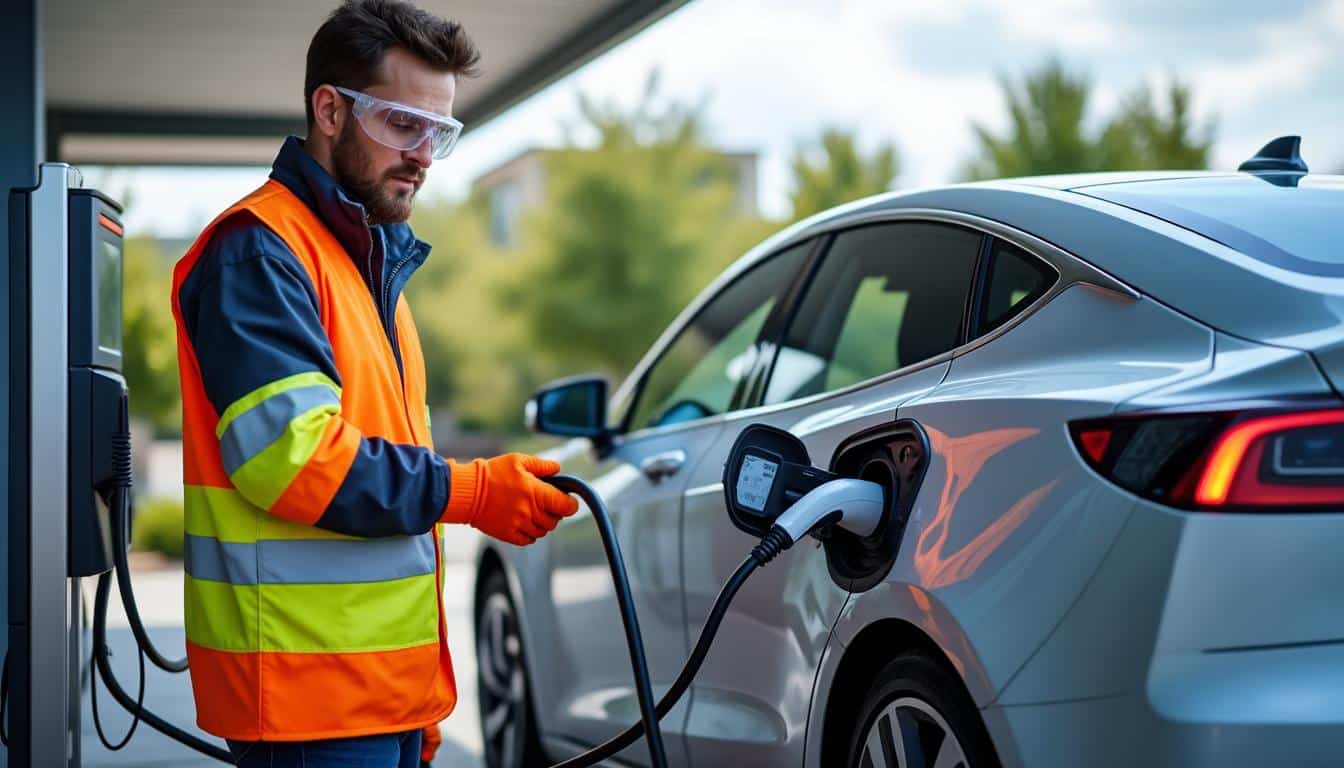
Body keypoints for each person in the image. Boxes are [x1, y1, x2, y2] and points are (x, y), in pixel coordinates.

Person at [169, 2, 579, 766]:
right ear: (330, 110)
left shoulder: (368, 267)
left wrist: (416, 702)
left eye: (439, 132)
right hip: (305, 701)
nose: (423, 155)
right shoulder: (260, 252)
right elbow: (291, 458)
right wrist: (472, 492)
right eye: (402, 124)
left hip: (376, 697)